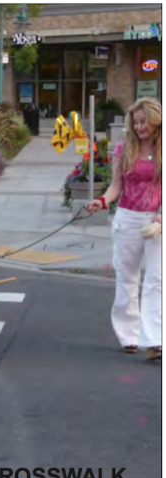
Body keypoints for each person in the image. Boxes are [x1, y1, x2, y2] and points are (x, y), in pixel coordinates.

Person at [86, 97, 162, 360]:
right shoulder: (123, 148)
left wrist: (160, 219)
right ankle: (129, 336)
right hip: (128, 218)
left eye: (144, 122)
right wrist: (103, 200)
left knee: (157, 281)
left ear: (156, 121)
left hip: (157, 220)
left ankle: (155, 341)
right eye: (137, 122)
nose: (140, 127)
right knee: (127, 278)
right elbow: (116, 185)